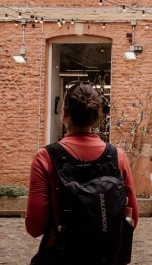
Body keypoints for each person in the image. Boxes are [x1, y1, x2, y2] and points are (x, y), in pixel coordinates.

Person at [26, 82, 138, 264]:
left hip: (61, 257)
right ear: (97, 116)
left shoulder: (45, 158)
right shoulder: (118, 157)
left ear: (65, 113)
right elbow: (131, 220)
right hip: (105, 259)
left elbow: (34, 227)